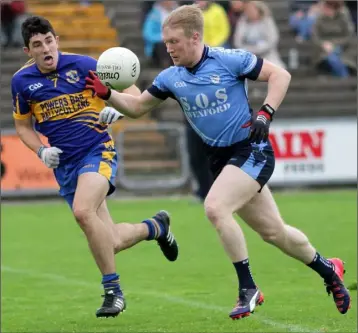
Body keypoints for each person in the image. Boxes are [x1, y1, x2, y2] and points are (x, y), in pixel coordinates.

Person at [85, 4, 351, 320]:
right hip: (222, 160)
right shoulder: (171, 77)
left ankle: (248, 288)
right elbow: (138, 106)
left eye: (174, 42)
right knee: (274, 232)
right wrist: (108, 94)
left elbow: (280, 74)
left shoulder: (228, 60)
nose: (168, 48)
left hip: (251, 149)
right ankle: (328, 269)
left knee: (215, 207)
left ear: (195, 37)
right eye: (166, 42)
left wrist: (265, 113)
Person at [11, 16, 179, 319]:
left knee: (82, 211)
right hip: (65, 165)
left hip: (98, 150)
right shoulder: (22, 83)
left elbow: (135, 96)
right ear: (28, 51)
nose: (46, 48)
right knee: (110, 241)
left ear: (57, 39)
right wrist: (41, 150)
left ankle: (113, 291)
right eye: (38, 45)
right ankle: (156, 227)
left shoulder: (86, 66)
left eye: (49, 40)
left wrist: (116, 108)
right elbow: (23, 127)